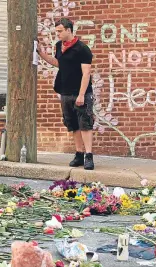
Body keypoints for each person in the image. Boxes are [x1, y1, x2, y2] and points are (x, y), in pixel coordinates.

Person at [37, 18, 95, 170]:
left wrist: (82, 95)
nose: (58, 34)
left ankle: (89, 156)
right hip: (65, 91)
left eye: (60, 31)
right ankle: (79, 154)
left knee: (85, 125)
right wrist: (41, 53)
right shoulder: (58, 46)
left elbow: (86, 73)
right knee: (72, 125)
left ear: (69, 30)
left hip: (81, 93)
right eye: (56, 32)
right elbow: (58, 63)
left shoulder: (82, 49)